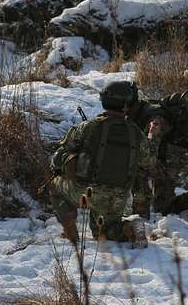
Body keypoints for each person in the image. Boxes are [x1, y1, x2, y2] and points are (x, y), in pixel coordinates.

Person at [49, 80, 163, 243]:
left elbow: (58, 158)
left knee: (54, 185)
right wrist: (153, 135)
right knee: (105, 233)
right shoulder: (136, 133)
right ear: (126, 104)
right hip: (118, 196)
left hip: (86, 191)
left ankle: (70, 229)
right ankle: (129, 229)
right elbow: (149, 162)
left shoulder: (88, 127)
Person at [126, 90, 188, 218]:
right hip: (171, 154)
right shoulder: (143, 108)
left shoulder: (155, 120)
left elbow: (149, 152)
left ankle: (141, 214)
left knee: (139, 167)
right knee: (164, 206)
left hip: (174, 158)